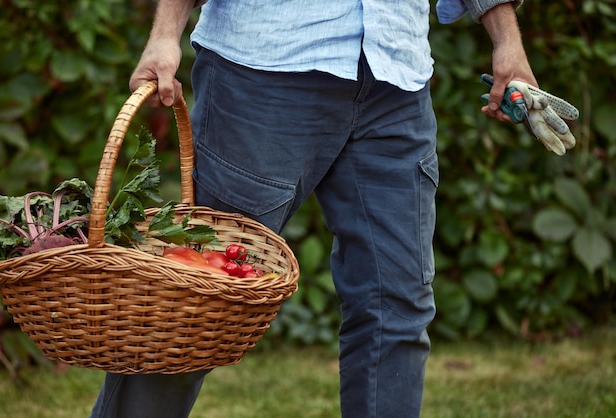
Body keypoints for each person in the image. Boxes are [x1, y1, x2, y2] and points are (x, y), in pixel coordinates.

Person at [90, 1, 542, 417]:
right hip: (264, 72)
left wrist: (507, 39)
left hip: (396, 77)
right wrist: (166, 31)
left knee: (397, 307)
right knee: (191, 302)